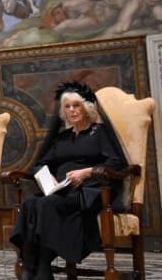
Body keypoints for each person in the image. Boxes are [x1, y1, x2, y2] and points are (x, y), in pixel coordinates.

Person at [9, 82, 127, 279]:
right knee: (30, 204)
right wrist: (50, 178)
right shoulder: (62, 137)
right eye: (67, 106)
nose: (72, 110)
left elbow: (115, 162)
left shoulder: (99, 132)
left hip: (90, 192)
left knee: (46, 205)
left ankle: (43, 266)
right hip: (62, 190)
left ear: (87, 107)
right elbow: (40, 164)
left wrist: (86, 172)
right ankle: (30, 264)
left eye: (76, 105)